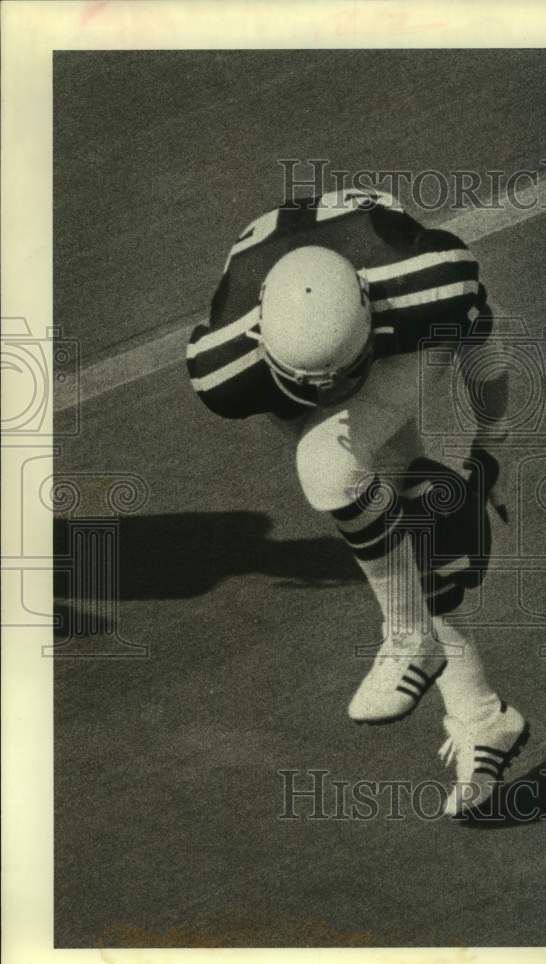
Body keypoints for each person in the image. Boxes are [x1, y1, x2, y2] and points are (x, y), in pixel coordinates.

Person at [186, 187, 528, 817]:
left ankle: (408, 638)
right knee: (405, 538)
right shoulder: (225, 366)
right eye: (321, 385)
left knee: (328, 466)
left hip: (396, 323)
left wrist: (491, 449)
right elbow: (301, 385)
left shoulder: (428, 286)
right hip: (306, 341)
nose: (337, 393)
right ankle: (483, 718)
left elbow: (484, 339)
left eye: (345, 374)